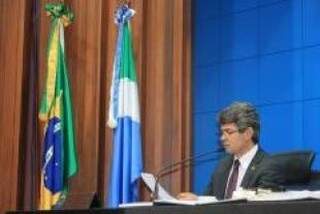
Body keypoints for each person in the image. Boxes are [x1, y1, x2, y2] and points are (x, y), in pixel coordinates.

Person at [179, 102, 284, 200]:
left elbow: (265, 208)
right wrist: (197, 201)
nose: (222, 138)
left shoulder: (269, 167)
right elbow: (211, 203)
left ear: (248, 133)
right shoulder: (222, 166)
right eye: (222, 133)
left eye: (228, 132)